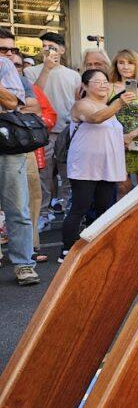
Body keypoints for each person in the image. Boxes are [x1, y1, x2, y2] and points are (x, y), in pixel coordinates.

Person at [61, 69, 130, 263]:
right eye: (97, 81)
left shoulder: (108, 106)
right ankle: (67, 247)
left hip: (107, 166)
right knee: (80, 206)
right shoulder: (82, 105)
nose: (103, 84)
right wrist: (119, 102)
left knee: (104, 207)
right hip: (85, 166)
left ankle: (96, 245)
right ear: (84, 86)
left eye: (105, 81)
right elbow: (96, 118)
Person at [24, 32, 79, 217]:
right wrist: (46, 69)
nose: (48, 51)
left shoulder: (73, 75)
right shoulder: (30, 72)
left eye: (53, 47)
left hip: (66, 129)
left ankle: (65, 206)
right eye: (45, 47)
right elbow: (33, 95)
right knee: (43, 174)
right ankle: (43, 212)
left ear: (62, 50)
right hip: (41, 131)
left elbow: (77, 102)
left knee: (67, 172)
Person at [0, 42, 40, 284]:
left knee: (17, 206)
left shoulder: (4, 65)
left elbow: (14, 103)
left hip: (5, 141)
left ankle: (23, 263)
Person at [9, 48, 53, 262]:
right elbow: (21, 106)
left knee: (30, 197)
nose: (8, 58)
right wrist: (16, 108)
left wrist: (11, 108)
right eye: (3, 50)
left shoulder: (24, 82)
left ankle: (30, 248)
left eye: (17, 63)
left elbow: (35, 106)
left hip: (20, 147)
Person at [109, 49, 138, 194]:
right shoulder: (109, 87)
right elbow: (105, 113)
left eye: (130, 63)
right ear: (116, 65)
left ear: (137, 65)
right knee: (122, 187)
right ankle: (126, 216)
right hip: (116, 141)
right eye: (121, 63)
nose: (125, 67)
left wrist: (131, 135)